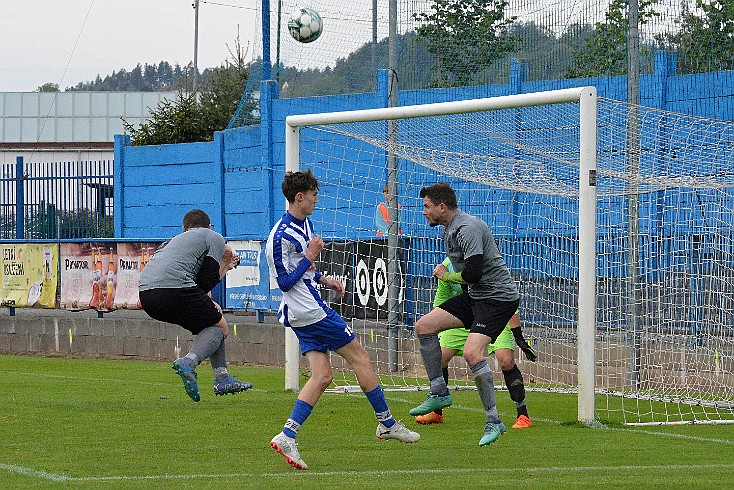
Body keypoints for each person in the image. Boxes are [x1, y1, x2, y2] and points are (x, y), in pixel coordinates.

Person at [266, 169, 419, 471]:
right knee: (360, 357)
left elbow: (304, 272)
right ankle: (386, 423)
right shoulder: (280, 235)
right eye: (313, 195)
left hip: (304, 311)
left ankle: (287, 435)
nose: (316, 199)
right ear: (300, 197)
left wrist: (325, 279)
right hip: (311, 312)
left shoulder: (305, 223)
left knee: (322, 376)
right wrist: (311, 257)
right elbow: (284, 282)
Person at [409, 182, 519, 447]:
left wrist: (445, 276)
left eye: (427, 206)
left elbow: (473, 274)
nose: (423, 212)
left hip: (497, 298)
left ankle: (494, 420)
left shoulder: (467, 228)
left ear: (442, 207)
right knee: (423, 326)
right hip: (477, 296)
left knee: (472, 353)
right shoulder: (451, 228)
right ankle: (439, 391)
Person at [138, 209, 252, 402]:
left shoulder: (172, 242)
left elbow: (197, 286)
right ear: (209, 226)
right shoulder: (213, 237)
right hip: (174, 289)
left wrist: (223, 267)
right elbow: (206, 281)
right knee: (220, 327)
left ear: (184, 229)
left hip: (147, 295)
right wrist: (225, 265)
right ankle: (189, 362)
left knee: (213, 317)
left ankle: (222, 377)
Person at [415, 259, 535, 428]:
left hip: (492, 314)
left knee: (505, 359)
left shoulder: (487, 262)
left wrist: (519, 337)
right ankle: (437, 411)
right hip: (462, 315)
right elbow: (441, 300)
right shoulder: (446, 265)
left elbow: (507, 299)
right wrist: (437, 327)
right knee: (439, 357)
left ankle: (523, 414)